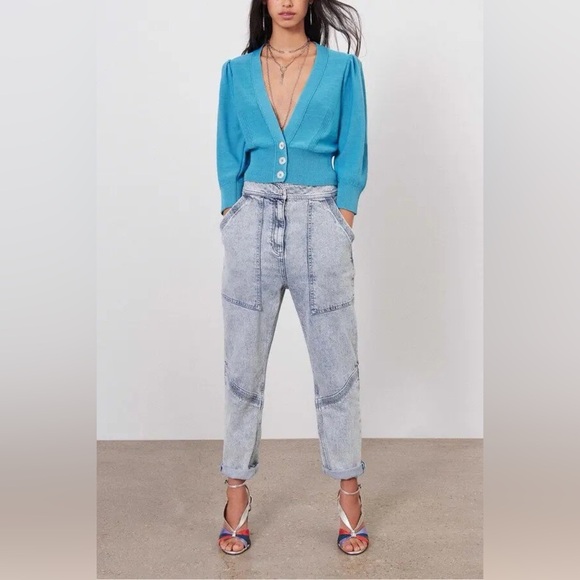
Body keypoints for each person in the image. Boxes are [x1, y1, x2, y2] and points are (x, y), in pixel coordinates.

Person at [216, 0, 369, 556]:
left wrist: (341, 216)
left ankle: (349, 491)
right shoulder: (236, 72)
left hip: (319, 221)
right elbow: (228, 151)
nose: (285, 1)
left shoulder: (343, 69)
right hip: (251, 219)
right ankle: (236, 491)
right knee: (242, 366)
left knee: (336, 367)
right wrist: (232, 211)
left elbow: (353, 149)